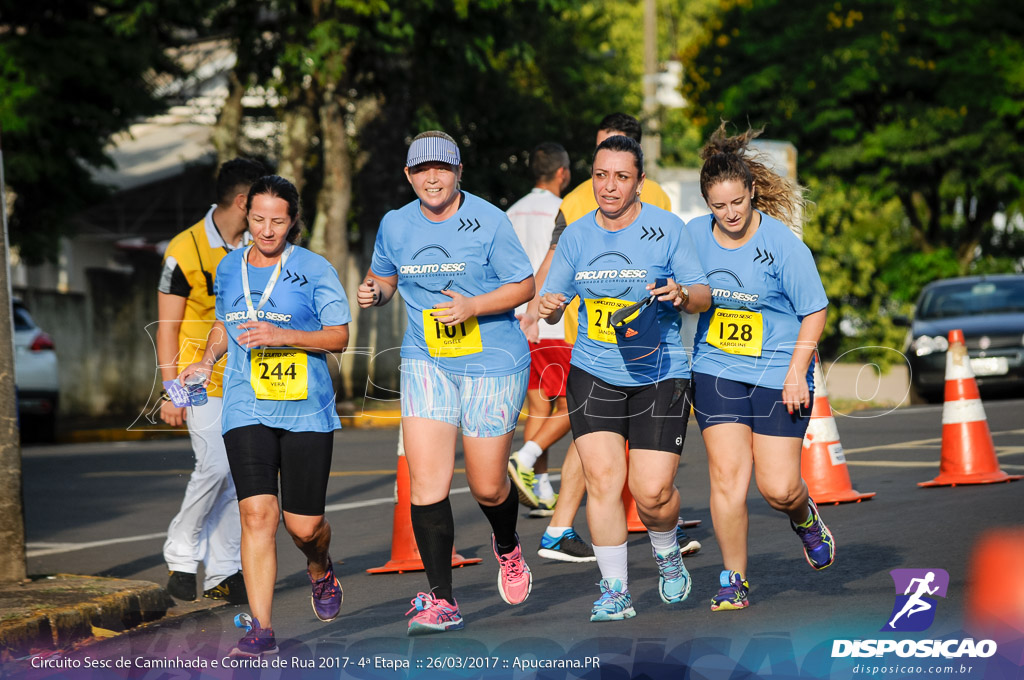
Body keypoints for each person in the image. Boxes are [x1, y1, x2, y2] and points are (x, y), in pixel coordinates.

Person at [357, 131, 536, 635]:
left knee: (487, 484)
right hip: (426, 358)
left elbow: (524, 285)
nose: (431, 177)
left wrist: (473, 305)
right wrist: (377, 291)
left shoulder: (489, 220)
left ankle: (507, 546)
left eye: (441, 168)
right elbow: (386, 275)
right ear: (408, 176)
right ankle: (443, 601)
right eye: (420, 170)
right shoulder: (395, 223)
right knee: (427, 483)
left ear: (459, 171)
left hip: (492, 358)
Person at [538, 135, 710, 621]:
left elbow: (701, 294)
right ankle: (615, 590)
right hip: (594, 370)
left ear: (639, 183)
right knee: (603, 480)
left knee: (652, 493)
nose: (608, 187)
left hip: (660, 371)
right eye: (600, 175)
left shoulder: (668, 228)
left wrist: (681, 295)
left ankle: (667, 549)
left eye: (621, 177)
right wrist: (550, 308)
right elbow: (551, 305)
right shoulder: (575, 235)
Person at [179, 175, 351, 657]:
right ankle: (261, 630)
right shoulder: (230, 267)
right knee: (257, 514)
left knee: (302, 527)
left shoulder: (315, 269)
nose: (267, 230)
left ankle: (320, 567)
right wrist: (207, 359)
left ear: (293, 221)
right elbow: (224, 323)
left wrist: (283, 337)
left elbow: (338, 336)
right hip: (244, 403)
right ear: (245, 215)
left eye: (278, 220)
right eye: (257, 219)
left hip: (305, 410)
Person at [686, 123, 833, 613]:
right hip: (716, 366)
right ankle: (733, 579)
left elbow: (814, 309)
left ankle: (805, 515)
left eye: (737, 203)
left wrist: (797, 371)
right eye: (717, 206)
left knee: (777, 487)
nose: (728, 214)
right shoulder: (693, 238)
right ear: (707, 202)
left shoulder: (783, 245)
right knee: (727, 478)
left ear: (752, 192)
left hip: (778, 369)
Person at [157, 157, 264, 605]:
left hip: (249, 378)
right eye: (259, 204)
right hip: (198, 378)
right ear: (243, 201)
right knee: (216, 465)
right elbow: (166, 326)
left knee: (239, 476)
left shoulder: (262, 245)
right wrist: (172, 390)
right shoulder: (185, 249)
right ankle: (181, 555)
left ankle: (224, 570)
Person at [505, 142, 574, 520]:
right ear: (562, 173)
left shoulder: (510, 212)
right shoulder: (564, 211)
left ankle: (540, 486)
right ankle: (526, 459)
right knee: (571, 406)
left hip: (519, 321)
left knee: (537, 407)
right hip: (555, 320)